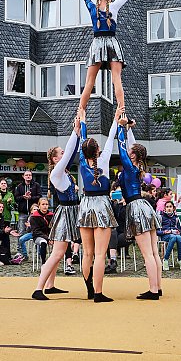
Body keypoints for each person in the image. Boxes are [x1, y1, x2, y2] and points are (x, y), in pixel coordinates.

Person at [74, 0, 151, 112]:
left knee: (89, 82)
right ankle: (121, 112)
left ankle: (80, 113)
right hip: (111, 44)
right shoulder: (114, 7)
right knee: (117, 80)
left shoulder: (92, 8)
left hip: (97, 44)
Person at [32, 113, 83, 300]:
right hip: (65, 213)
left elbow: (72, 152)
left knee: (58, 253)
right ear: (54, 159)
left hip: (71, 211)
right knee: (57, 253)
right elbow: (70, 152)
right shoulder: (56, 174)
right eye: (60, 154)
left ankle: (50, 285)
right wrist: (75, 131)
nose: (63, 155)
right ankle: (38, 289)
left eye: (62, 153)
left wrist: (77, 134)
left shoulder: (63, 172)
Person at [116, 112, 163, 299]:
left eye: (131, 152)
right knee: (153, 252)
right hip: (144, 206)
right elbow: (128, 147)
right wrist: (128, 129)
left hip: (136, 207)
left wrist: (120, 128)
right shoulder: (136, 168)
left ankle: (153, 290)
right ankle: (157, 287)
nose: (128, 152)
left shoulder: (129, 167)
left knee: (148, 254)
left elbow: (122, 150)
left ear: (134, 156)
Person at [77, 108, 119, 302]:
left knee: (87, 252)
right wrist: (116, 118)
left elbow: (82, 141)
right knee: (101, 253)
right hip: (101, 204)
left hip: (85, 204)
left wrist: (83, 122)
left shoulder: (82, 160)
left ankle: (88, 290)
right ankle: (98, 293)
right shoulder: (104, 158)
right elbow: (111, 136)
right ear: (97, 151)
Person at [157, 200, 181, 271]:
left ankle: (180, 259)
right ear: (164, 209)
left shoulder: (176, 218)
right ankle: (165, 260)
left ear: (173, 208)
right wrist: (164, 232)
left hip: (175, 235)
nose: (169, 208)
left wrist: (179, 232)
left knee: (178, 237)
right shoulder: (161, 217)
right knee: (173, 237)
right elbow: (156, 232)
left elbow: (180, 230)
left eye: (170, 207)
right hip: (165, 236)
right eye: (167, 207)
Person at [29, 198, 54, 266]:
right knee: (43, 242)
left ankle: (66, 264)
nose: (45, 206)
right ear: (39, 206)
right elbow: (36, 231)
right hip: (38, 236)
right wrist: (47, 238)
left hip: (50, 236)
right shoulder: (34, 217)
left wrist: (51, 237)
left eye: (46, 204)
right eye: (43, 204)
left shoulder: (52, 215)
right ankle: (43, 263)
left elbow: (54, 228)